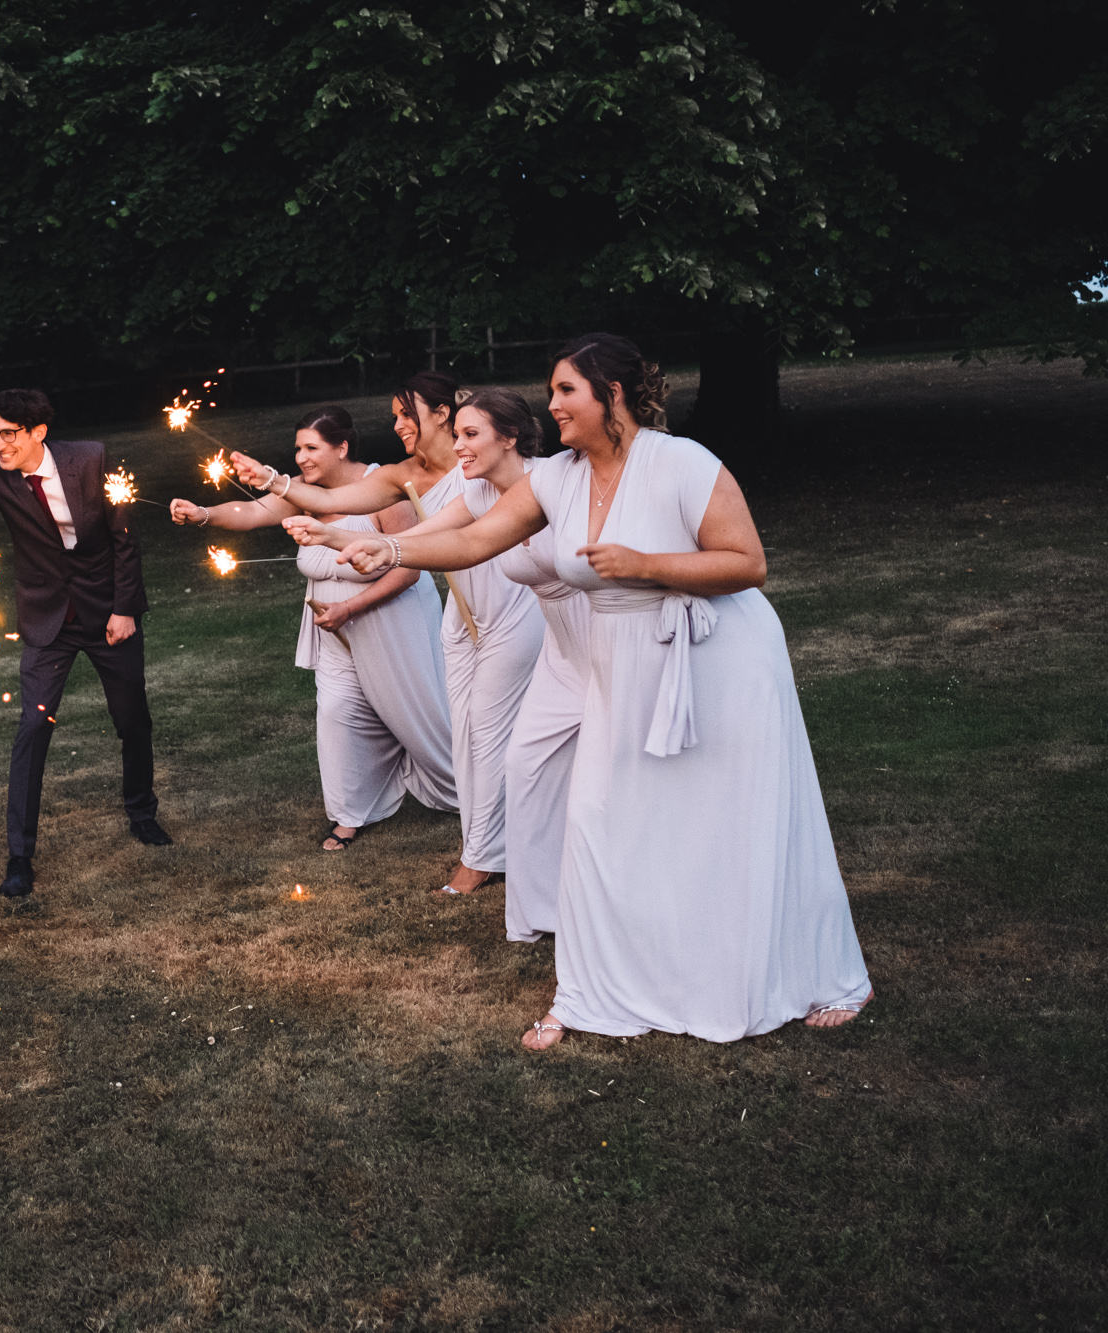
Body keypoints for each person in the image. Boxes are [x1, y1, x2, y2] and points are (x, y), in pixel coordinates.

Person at [302, 335, 874, 1047]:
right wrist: (392, 548)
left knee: (728, 820)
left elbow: (747, 562)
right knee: (602, 818)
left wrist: (644, 562)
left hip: (717, 658)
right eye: (553, 391)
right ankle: (589, 991)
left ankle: (801, 969)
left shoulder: (683, 463)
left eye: (567, 390)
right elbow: (475, 540)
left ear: (614, 395)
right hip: (619, 666)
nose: (554, 404)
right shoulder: (557, 480)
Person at [237, 372, 545, 896]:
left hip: (511, 613)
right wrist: (287, 492)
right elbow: (391, 520)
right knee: (470, 738)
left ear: (444, 415)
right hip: (463, 620)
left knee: (490, 737)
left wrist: (388, 549)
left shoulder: (505, 476)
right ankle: (492, 843)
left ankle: (483, 858)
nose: (398, 423)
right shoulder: (416, 476)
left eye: (408, 413)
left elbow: (465, 542)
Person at [0, 389, 170, 900]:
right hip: (47, 620)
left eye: (9, 434)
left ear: (38, 432)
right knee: (31, 728)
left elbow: (124, 537)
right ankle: (19, 856)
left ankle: (142, 811)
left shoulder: (93, 458)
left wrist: (126, 608)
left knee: (132, 718)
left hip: (109, 611)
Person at [170, 406, 455, 850]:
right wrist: (202, 513)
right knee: (337, 713)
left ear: (341, 447)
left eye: (311, 447)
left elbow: (410, 569)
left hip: (391, 621)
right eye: (298, 447)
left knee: (421, 718)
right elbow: (248, 512)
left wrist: (351, 608)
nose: (300, 457)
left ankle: (475, 792)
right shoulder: (301, 491)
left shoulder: (383, 488)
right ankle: (348, 816)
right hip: (332, 629)